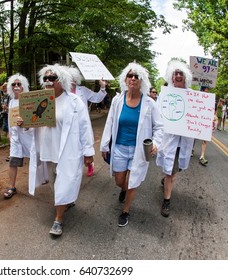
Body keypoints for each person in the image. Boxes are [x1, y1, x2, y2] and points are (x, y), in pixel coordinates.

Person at [28, 64, 95, 236]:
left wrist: (88, 152)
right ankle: (65, 201)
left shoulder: (74, 102)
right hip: (48, 150)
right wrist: (25, 123)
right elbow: (33, 121)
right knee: (53, 183)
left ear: (62, 81)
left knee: (64, 182)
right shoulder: (40, 99)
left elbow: (84, 126)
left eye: (52, 78)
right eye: (46, 78)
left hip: (68, 151)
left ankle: (58, 219)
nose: (48, 81)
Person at [100, 62, 164, 227]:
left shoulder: (150, 103)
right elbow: (110, 122)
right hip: (120, 148)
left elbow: (159, 127)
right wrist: (105, 145)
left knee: (133, 182)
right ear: (125, 79)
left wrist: (155, 143)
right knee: (120, 180)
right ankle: (124, 189)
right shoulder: (117, 100)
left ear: (142, 81)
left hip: (139, 151)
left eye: (137, 76)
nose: (133, 78)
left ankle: (126, 210)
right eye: (130, 75)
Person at [156, 60, 195, 217]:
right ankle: (166, 201)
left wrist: (206, 124)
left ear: (185, 77)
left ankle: (167, 181)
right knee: (170, 172)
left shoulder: (192, 96)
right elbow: (157, 116)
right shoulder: (165, 95)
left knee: (174, 169)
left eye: (181, 73)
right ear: (171, 78)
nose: (178, 76)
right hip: (169, 140)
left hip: (184, 141)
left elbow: (199, 117)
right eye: (175, 73)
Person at [67, 66, 107, 177]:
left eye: (73, 78)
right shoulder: (63, 92)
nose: (71, 81)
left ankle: (89, 163)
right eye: (69, 78)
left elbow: (96, 98)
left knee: (84, 146)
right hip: (68, 125)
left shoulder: (82, 90)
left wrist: (102, 88)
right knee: (72, 148)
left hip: (81, 124)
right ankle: (74, 171)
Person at [3, 73, 33, 199]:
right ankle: (12, 187)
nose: (16, 86)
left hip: (28, 136)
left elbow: (35, 119)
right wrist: (10, 133)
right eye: (13, 84)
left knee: (37, 160)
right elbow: (11, 120)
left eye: (19, 84)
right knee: (13, 162)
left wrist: (26, 124)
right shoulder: (11, 102)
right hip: (15, 138)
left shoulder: (29, 100)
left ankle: (45, 179)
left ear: (23, 86)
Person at [199, 86, 212, 166]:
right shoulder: (197, 97)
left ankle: (202, 156)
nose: (208, 92)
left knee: (204, 139)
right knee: (193, 137)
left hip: (205, 120)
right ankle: (191, 150)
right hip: (196, 119)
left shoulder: (210, 99)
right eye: (206, 90)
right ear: (203, 90)